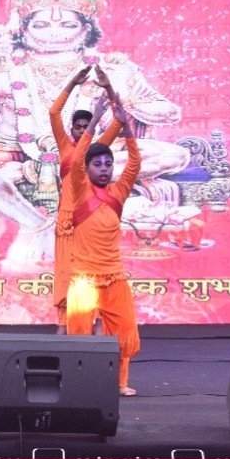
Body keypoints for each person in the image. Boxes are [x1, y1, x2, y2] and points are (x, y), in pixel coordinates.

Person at [0, 0, 185, 268]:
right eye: (41, 24)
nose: (54, 32)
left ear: (86, 29)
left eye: (68, 25)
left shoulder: (112, 68)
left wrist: (123, 94)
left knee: (173, 155)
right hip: (5, 147)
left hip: (85, 154)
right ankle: (38, 226)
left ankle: (33, 173)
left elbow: (168, 112)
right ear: (23, 28)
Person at [64, 74, 142, 395]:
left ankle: (120, 383)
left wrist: (126, 126)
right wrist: (96, 118)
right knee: (79, 334)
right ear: (88, 168)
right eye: (98, 164)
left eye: (108, 163)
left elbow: (134, 162)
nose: (105, 168)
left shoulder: (118, 193)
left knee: (124, 332)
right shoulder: (81, 190)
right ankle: (78, 386)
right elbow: (77, 161)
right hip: (83, 279)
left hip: (114, 278)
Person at [50, 65, 121, 332]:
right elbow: (53, 113)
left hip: (91, 219)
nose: (82, 130)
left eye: (86, 127)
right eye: (78, 127)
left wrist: (109, 88)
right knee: (65, 273)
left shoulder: (97, 152)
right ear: (72, 130)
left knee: (96, 270)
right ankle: (63, 323)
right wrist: (72, 83)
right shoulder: (65, 148)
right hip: (67, 220)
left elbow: (118, 122)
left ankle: (98, 321)